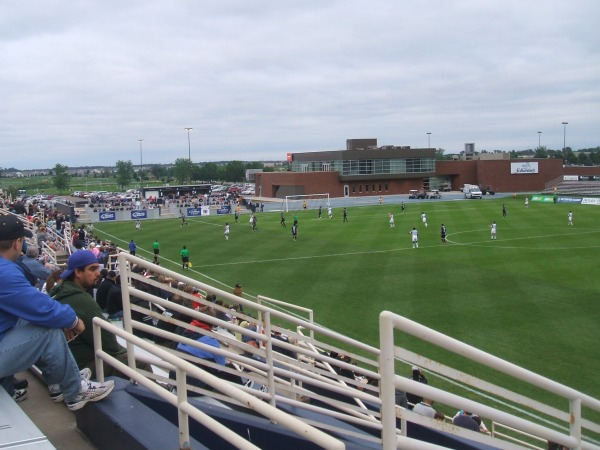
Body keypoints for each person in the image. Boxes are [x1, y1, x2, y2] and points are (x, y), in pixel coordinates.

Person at [0, 215, 114, 409]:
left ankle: (61, 381)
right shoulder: (5, 272)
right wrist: (73, 321)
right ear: (18, 243)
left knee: (43, 323)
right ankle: (74, 391)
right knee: (48, 330)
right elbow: (40, 306)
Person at [52, 250, 144, 379]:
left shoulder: (61, 291)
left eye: (97, 268)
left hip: (68, 361)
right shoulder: (79, 299)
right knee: (139, 362)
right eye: (92, 269)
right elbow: (109, 342)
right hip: (78, 367)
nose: (98, 273)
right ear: (77, 272)